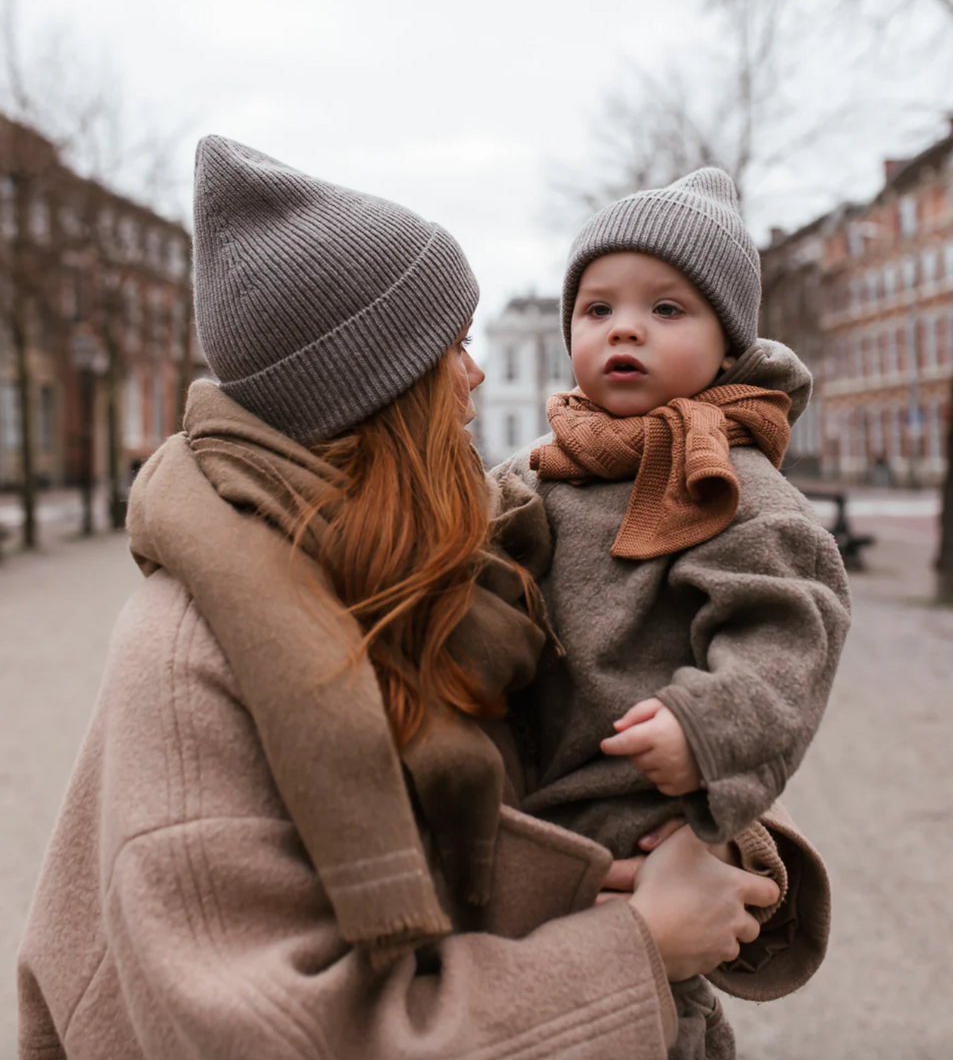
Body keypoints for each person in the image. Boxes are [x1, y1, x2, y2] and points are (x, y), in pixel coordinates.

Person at [19, 141, 817, 1060]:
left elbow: (627, 692)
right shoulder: (190, 650)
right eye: (453, 347)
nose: (475, 377)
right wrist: (632, 949)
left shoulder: (467, 555)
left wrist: (723, 850)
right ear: (373, 390)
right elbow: (267, 1035)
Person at [495, 168, 851, 1057]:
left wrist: (704, 727)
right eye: (597, 308)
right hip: (525, 810)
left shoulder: (731, 485)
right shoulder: (539, 471)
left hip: (634, 808)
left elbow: (789, 631)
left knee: (653, 1010)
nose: (624, 327)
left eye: (666, 310)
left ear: (727, 346)